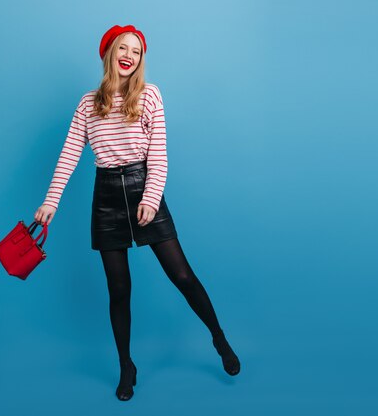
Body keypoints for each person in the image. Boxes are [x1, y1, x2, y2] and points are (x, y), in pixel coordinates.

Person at [34, 24, 240, 401]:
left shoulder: (149, 96)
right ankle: (126, 366)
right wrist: (51, 201)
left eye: (137, 50)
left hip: (144, 187)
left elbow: (159, 155)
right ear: (109, 53)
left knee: (182, 274)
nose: (130, 55)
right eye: (123, 48)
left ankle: (219, 338)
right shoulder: (87, 103)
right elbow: (69, 153)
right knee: (119, 289)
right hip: (107, 195)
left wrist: (150, 197)